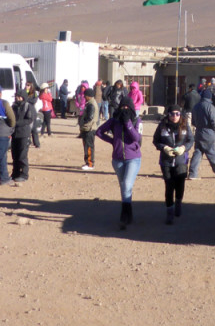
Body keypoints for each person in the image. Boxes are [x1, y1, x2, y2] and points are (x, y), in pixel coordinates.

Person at [96, 99, 143, 230]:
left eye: (127, 106)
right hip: (117, 159)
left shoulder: (136, 120)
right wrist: (112, 141)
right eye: (122, 106)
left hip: (133, 158)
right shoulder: (114, 121)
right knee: (124, 186)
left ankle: (124, 214)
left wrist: (127, 122)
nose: (124, 109)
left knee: (127, 184)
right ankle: (129, 213)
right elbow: (99, 132)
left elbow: (136, 138)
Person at [152, 104, 194, 224]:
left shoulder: (185, 125)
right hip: (166, 161)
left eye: (177, 114)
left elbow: (190, 140)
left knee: (180, 184)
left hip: (181, 160)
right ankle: (169, 212)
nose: (174, 116)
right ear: (168, 115)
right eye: (172, 114)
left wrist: (184, 148)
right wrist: (163, 147)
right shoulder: (162, 126)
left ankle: (179, 202)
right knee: (169, 186)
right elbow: (156, 140)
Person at [188, 89, 215, 179]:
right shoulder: (210, 107)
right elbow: (214, 121)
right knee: (212, 153)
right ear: (210, 97)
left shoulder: (196, 107)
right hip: (209, 133)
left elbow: (193, 122)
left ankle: (192, 173)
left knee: (198, 152)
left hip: (198, 132)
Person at [10, 88, 35, 182]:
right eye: (17, 96)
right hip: (14, 134)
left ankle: (24, 174)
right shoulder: (13, 106)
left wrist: (16, 123)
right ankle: (15, 174)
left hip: (24, 134)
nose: (18, 98)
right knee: (15, 155)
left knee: (22, 155)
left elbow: (29, 119)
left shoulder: (28, 106)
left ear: (24, 97)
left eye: (20, 97)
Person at [78, 90, 100, 169]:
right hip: (87, 128)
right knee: (87, 146)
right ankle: (87, 162)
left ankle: (90, 164)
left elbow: (90, 117)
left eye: (85, 95)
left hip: (89, 128)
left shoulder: (91, 105)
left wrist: (82, 122)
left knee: (89, 146)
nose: (84, 97)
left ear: (89, 96)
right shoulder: (91, 103)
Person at [24, 82, 43, 149]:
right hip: (25, 112)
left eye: (28, 85)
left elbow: (34, 101)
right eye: (26, 85)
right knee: (26, 128)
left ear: (31, 86)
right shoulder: (24, 92)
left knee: (34, 128)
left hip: (32, 112)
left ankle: (37, 143)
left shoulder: (34, 93)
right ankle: (27, 142)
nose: (26, 86)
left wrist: (26, 99)